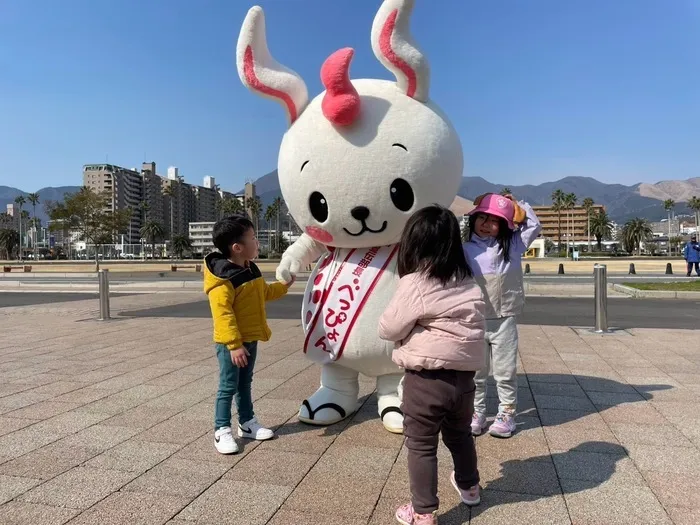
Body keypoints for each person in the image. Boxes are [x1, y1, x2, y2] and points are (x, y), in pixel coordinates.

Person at [378, 205, 486, 525]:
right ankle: (470, 488)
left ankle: (423, 512)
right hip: (464, 381)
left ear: (413, 243)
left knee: (422, 447)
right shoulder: (468, 280)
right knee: (460, 436)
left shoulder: (416, 281)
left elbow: (389, 327)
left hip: (426, 381)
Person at [204, 214, 292, 454]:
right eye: (253, 238)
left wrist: (284, 286)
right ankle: (221, 430)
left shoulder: (250, 268)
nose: (258, 242)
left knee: (245, 384)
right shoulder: (223, 278)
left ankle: (247, 423)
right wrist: (233, 345)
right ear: (237, 247)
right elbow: (222, 315)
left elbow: (263, 292)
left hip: (250, 339)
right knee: (227, 386)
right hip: (231, 345)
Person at [464, 193, 541, 438]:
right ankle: (476, 412)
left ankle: (507, 413)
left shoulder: (514, 246)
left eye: (494, 220)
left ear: (505, 226)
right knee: (476, 372)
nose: (486, 224)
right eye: (482, 218)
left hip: (504, 318)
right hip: (474, 320)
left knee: (505, 372)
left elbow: (534, 225)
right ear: (473, 220)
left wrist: (517, 204)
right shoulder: (464, 249)